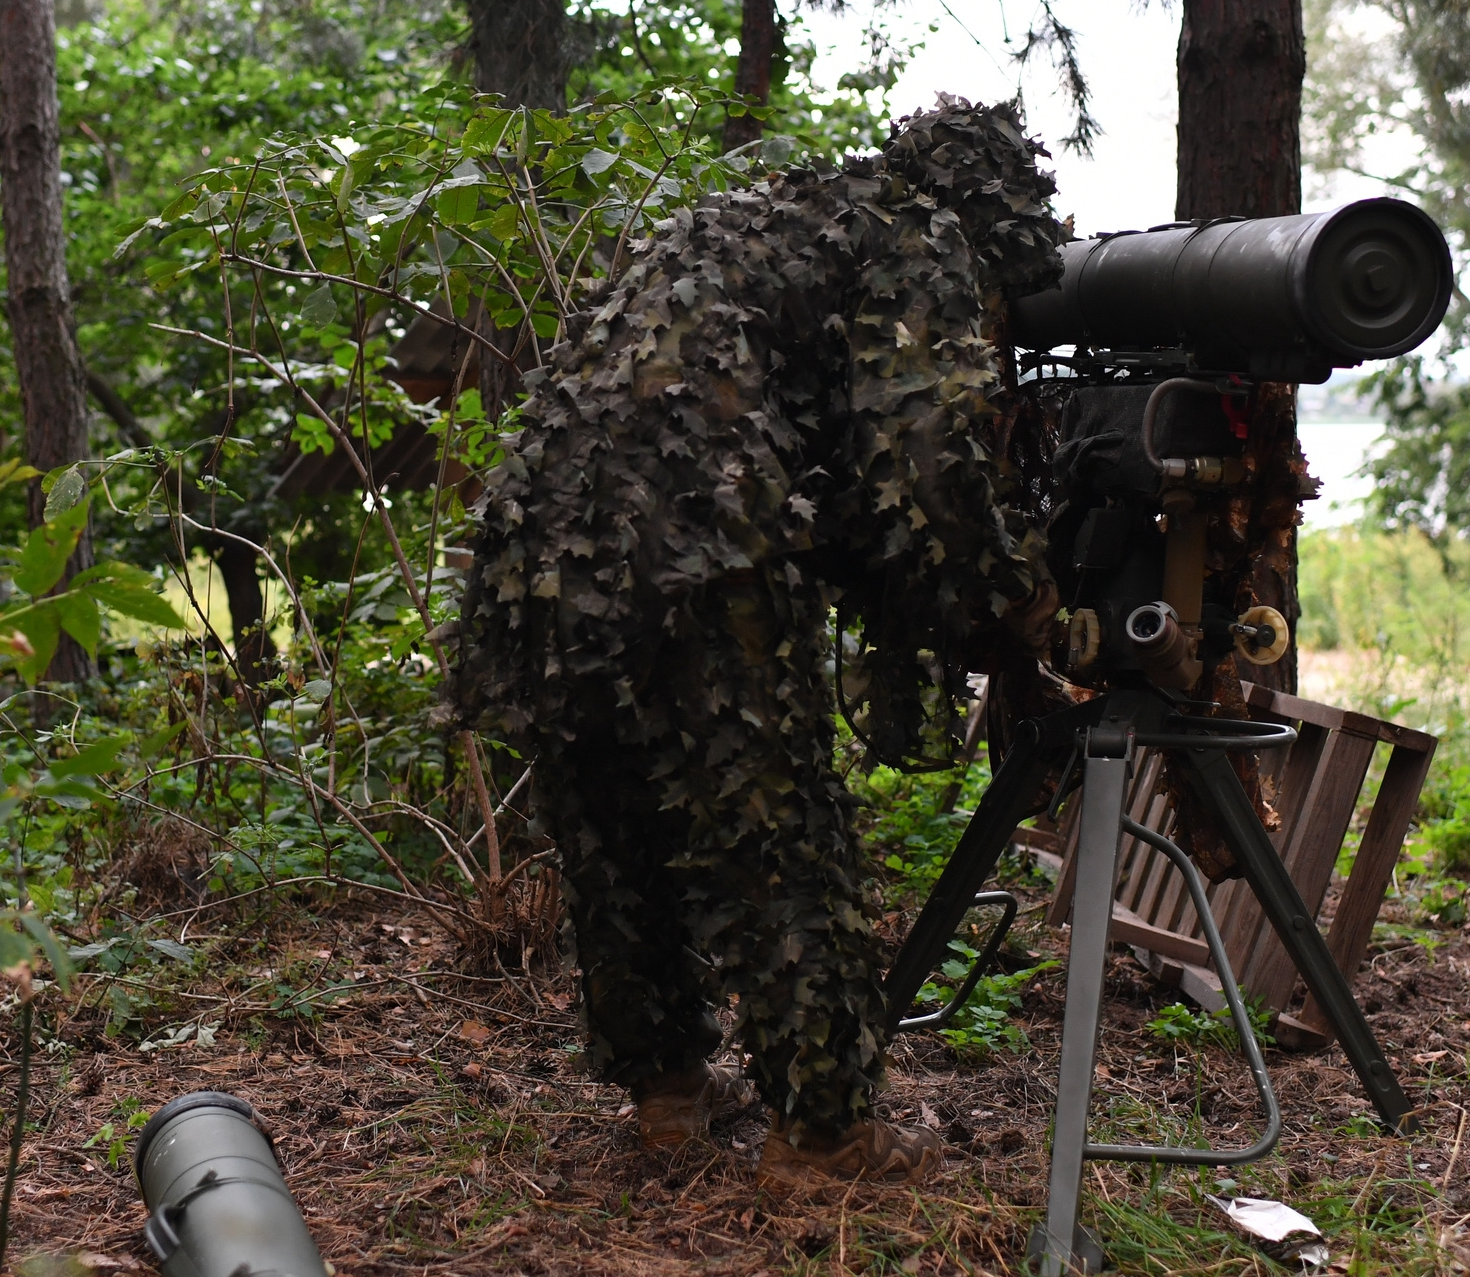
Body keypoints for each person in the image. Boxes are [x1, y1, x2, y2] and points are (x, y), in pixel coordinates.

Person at [452, 97, 1066, 1186]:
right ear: (993, 202)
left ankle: (669, 1095)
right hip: (695, 533)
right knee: (776, 822)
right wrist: (1022, 592)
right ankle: (824, 1134)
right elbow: (923, 454)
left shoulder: (752, 218)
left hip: (534, 539)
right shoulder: (918, 229)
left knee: (614, 818)